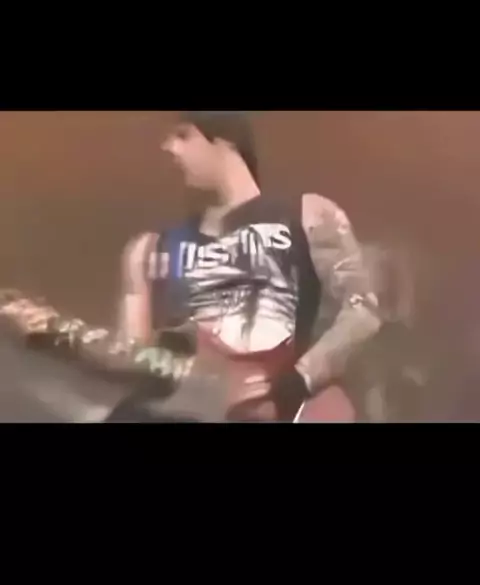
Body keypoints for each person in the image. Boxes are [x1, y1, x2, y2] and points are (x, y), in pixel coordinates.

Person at [1, 112, 382, 422]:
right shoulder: (152, 250)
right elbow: (136, 360)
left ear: (225, 138)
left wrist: (299, 380)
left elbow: (363, 311)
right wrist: (52, 332)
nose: (169, 147)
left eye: (183, 134)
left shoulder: (308, 214)